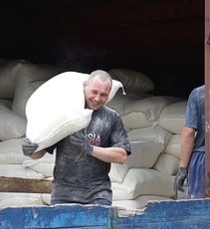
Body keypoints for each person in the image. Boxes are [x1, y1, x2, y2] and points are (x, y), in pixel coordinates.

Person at [22, 70, 131, 206]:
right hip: (63, 194)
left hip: (97, 194)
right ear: (85, 86)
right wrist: (30, 149)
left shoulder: (111, 118)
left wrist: (89, 148)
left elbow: (121, 156)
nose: (97, 98)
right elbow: (39, 153)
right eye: (94, 92)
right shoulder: (65, 117)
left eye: (103, 95)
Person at [174, 85, 205, 199]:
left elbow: (188, 132)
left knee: (199, 209)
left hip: (202, 160)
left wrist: (183, 170)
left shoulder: (199, 94)